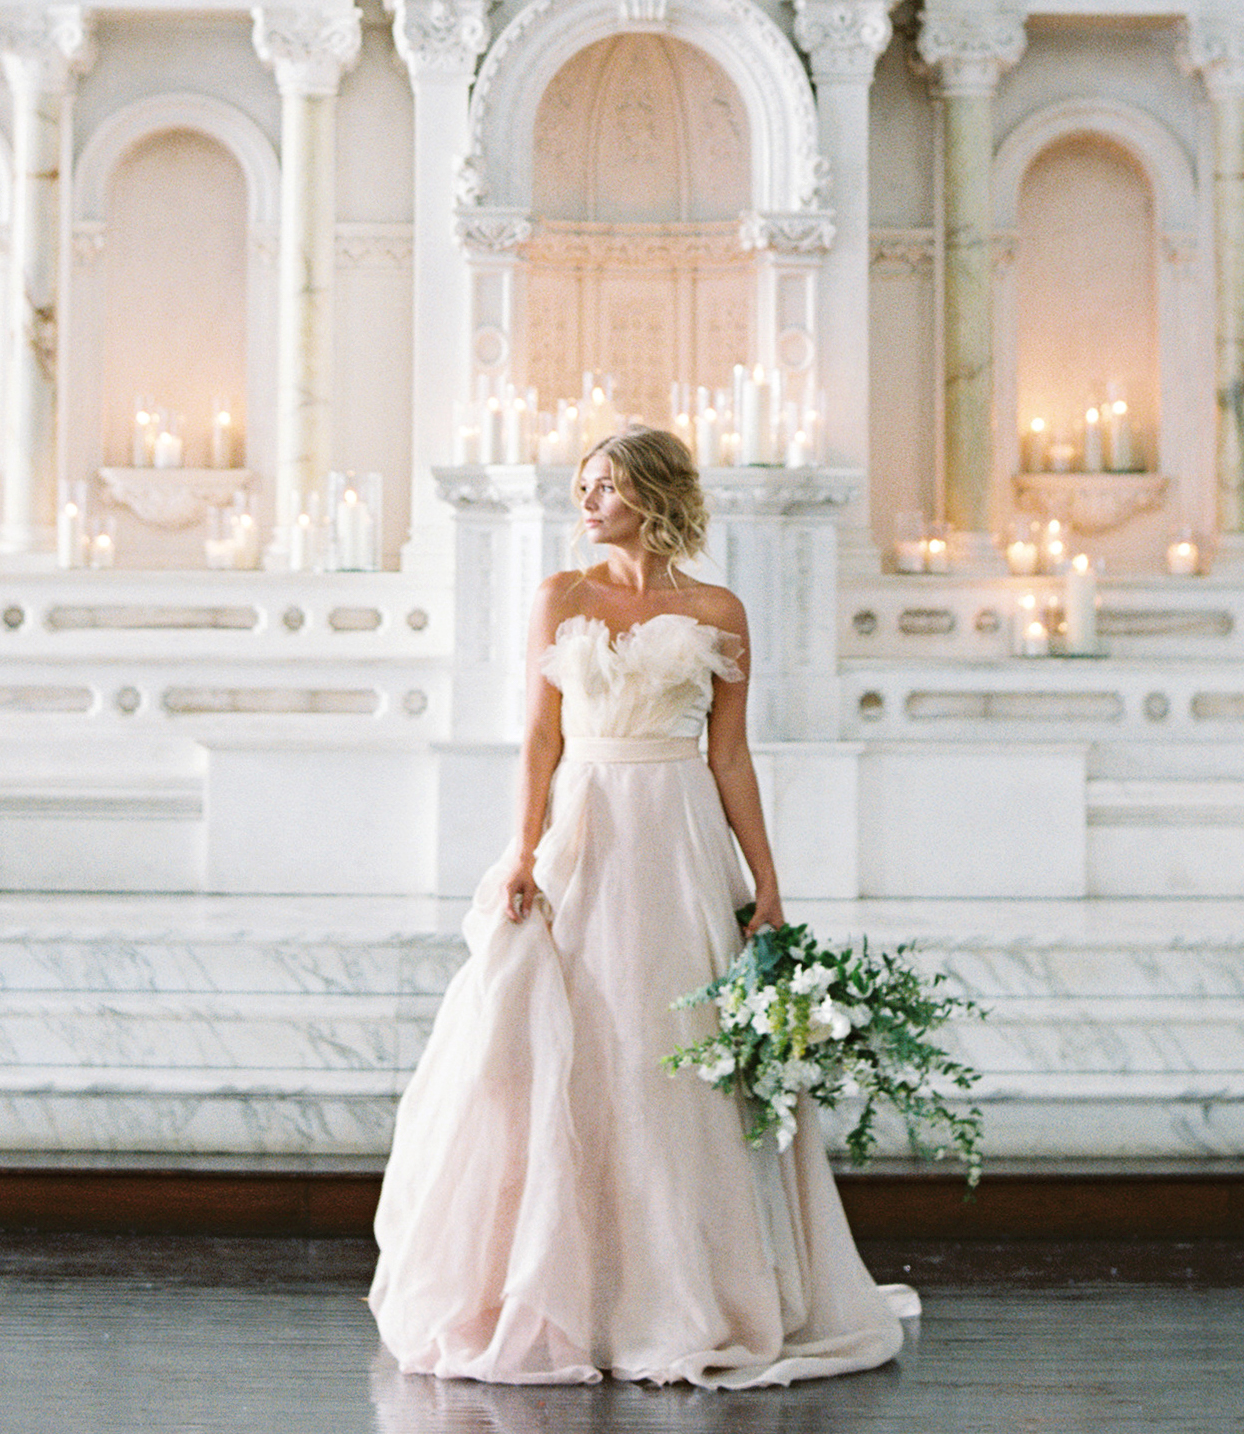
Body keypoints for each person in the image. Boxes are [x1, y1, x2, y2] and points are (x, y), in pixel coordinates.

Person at [369, 424, 918, 1388]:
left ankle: (686, 1292)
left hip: (679, 841)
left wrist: (769, 885)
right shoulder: (560, 597)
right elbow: (538, 739)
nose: (585, 502)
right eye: (582, 485)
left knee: (675, 1052)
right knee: (572, 1044)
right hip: (584, 832)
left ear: (653, 493)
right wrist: (524, 850)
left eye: (604, 486)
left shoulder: (718, 608)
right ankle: (563, 1294)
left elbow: (732, 756)